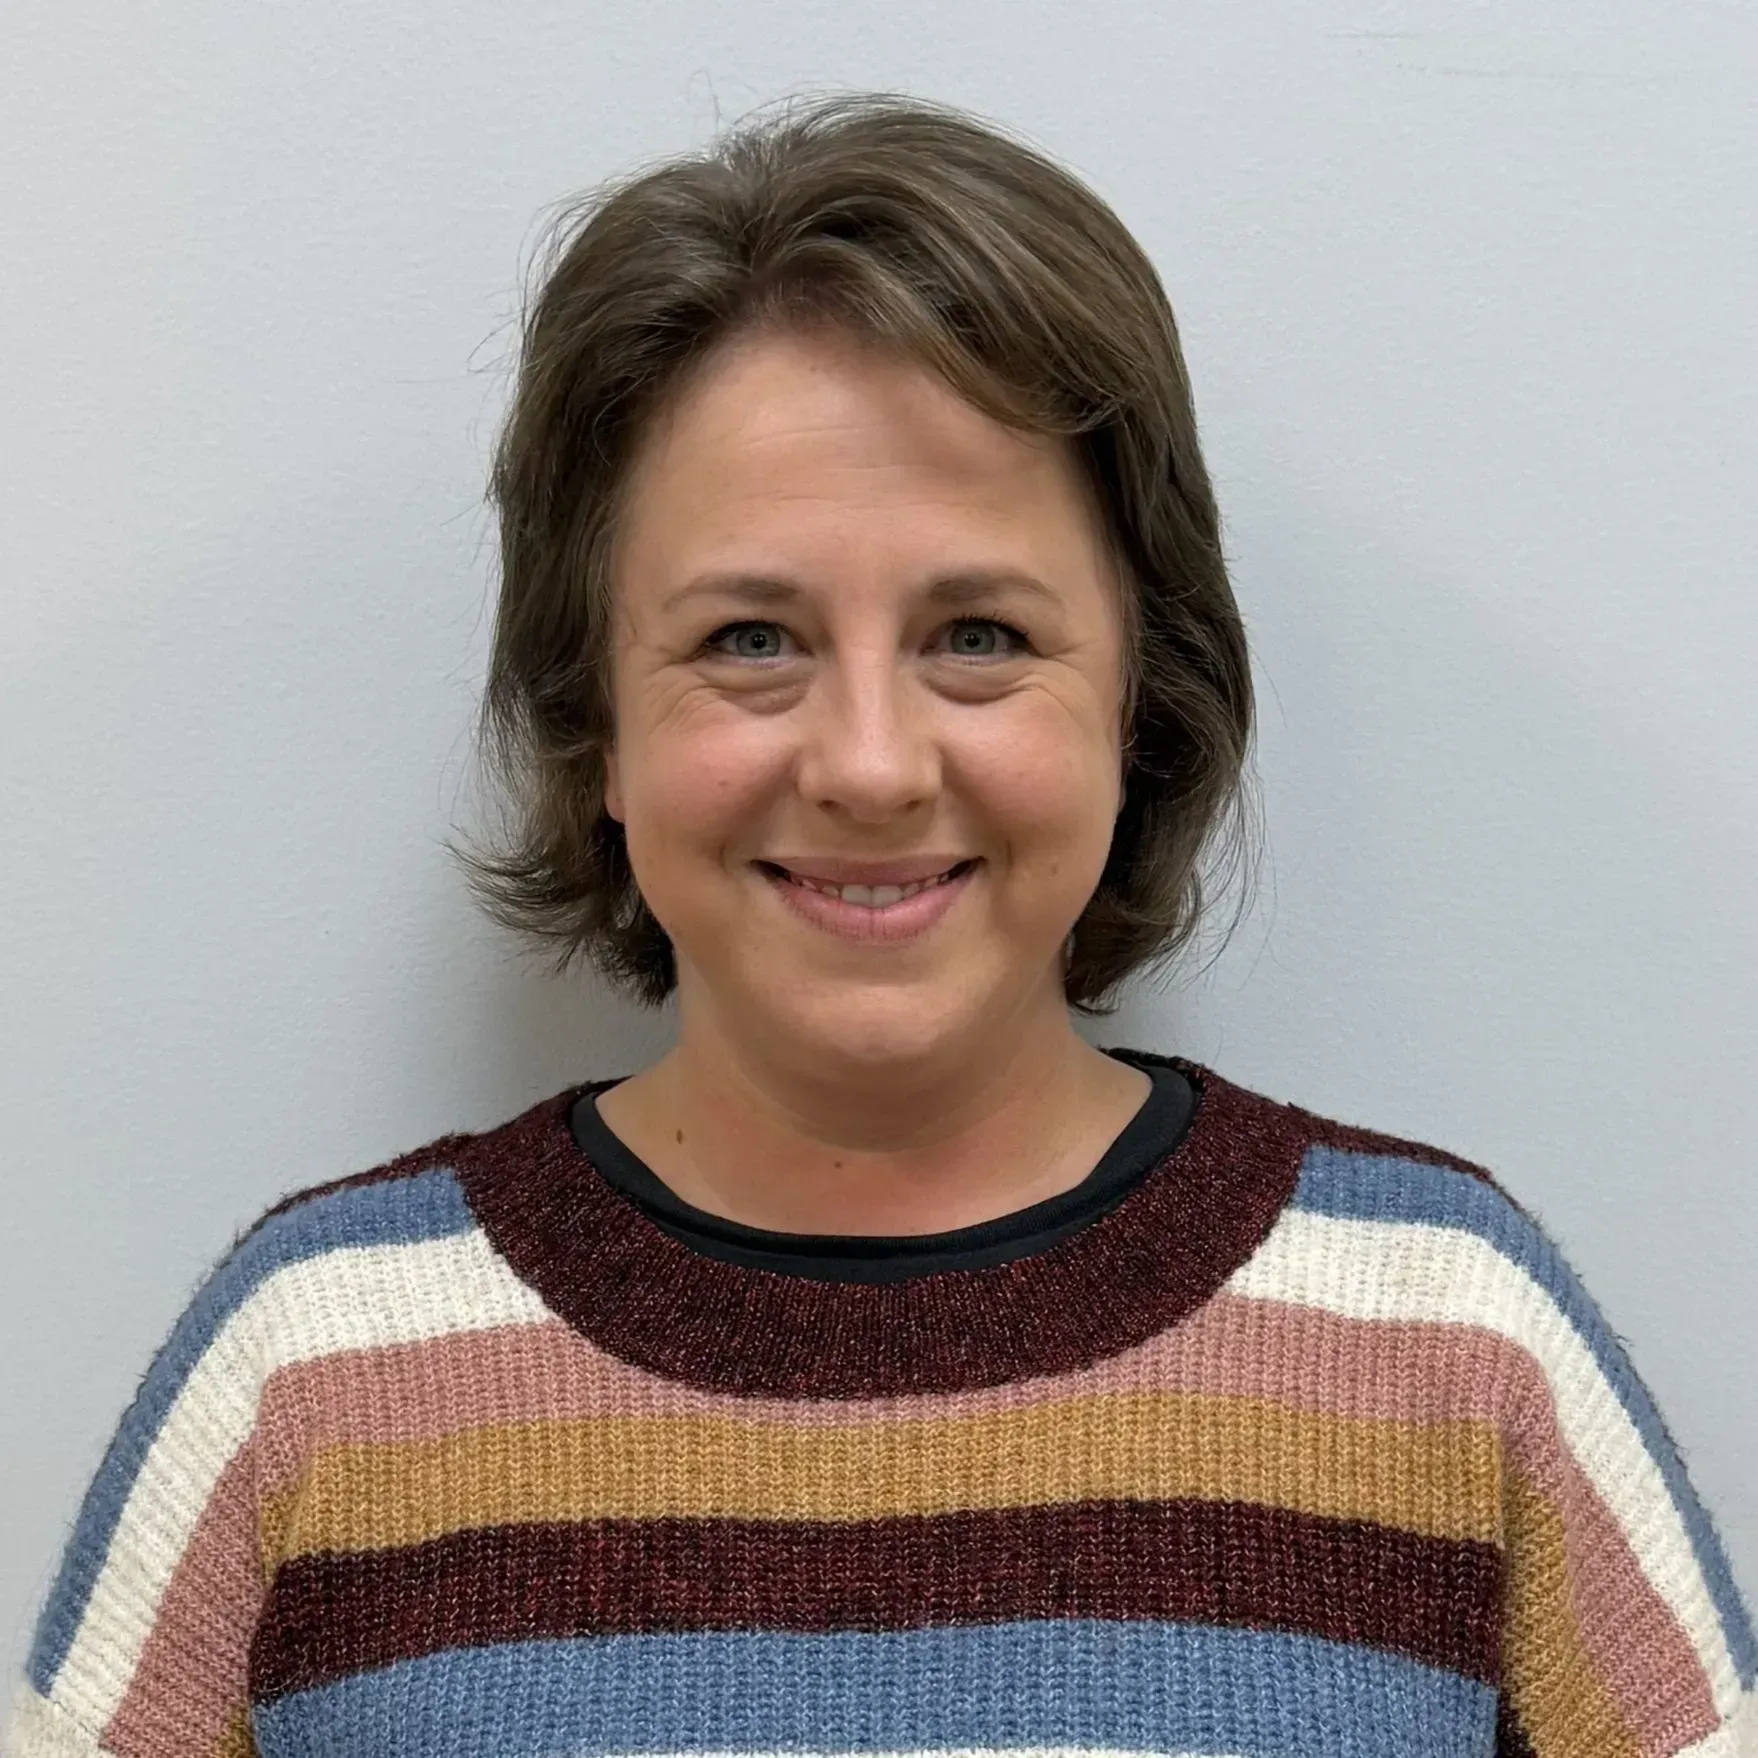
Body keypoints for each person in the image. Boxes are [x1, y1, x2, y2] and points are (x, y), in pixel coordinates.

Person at [6, 90, 1752, 1758]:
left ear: (1139, 697)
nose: (864, 761)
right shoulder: (311, 1366)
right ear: (596, 724)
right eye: (748, 639)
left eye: (978, 633)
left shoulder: (1447, 1339)